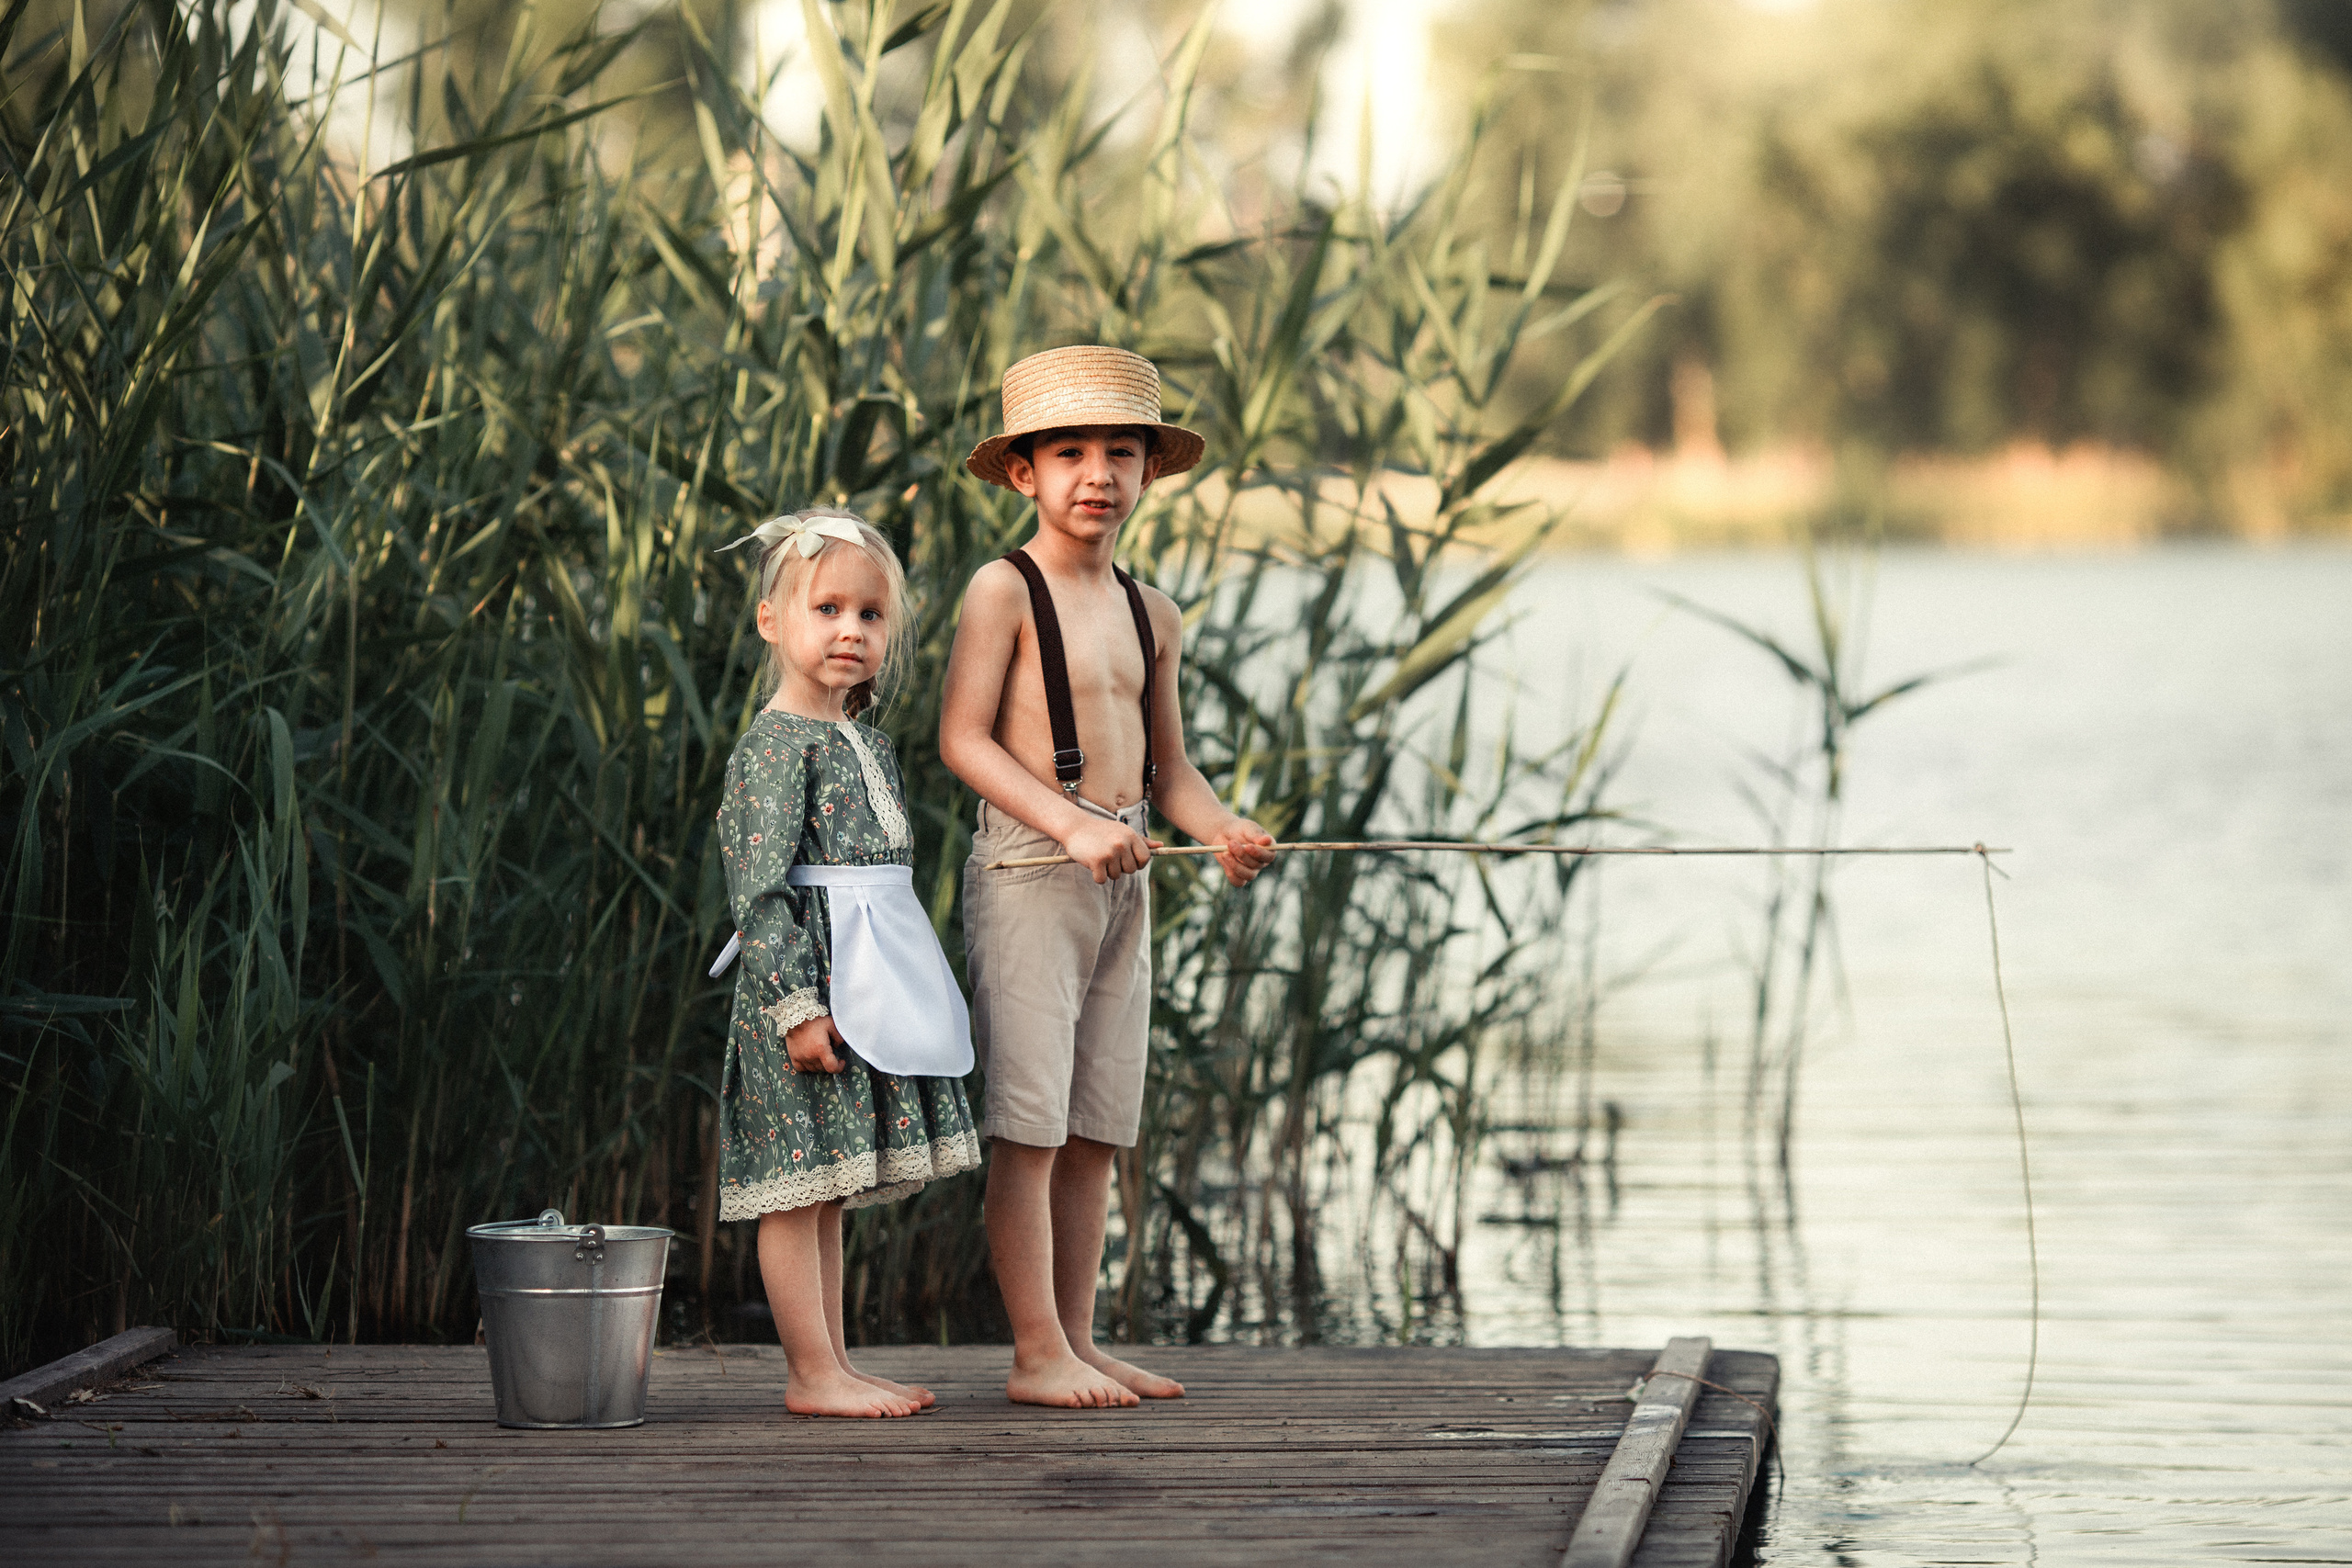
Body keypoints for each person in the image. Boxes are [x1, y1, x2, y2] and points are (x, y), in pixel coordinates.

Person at [940, 345, 1277, 1409]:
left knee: (1095, 1127)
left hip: (1125, 881)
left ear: (1147, 473)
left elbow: (1171, 769)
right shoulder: (1002, 589)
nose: (1096, 473)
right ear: (1024, 473)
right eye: (1070, 452)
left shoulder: (1153, 610)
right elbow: (964, 741)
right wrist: (1072, 823)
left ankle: (1077, 1342)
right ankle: (1034, 1349)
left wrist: (1222, 828)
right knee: (1030, 1126)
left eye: (1119, 453)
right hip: (1032, 871)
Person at [712, 508, 983, 1418]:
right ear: (770, 621)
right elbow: (758, 891)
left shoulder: (862, 738)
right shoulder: (774, 746)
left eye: (870, 616)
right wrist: (794, 1007)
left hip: (863, 976)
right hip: (806, 992)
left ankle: (832, 1361)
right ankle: (810, 1373)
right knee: (796, 1193)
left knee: (830, 1187)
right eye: (826, 608)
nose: (849, 631)